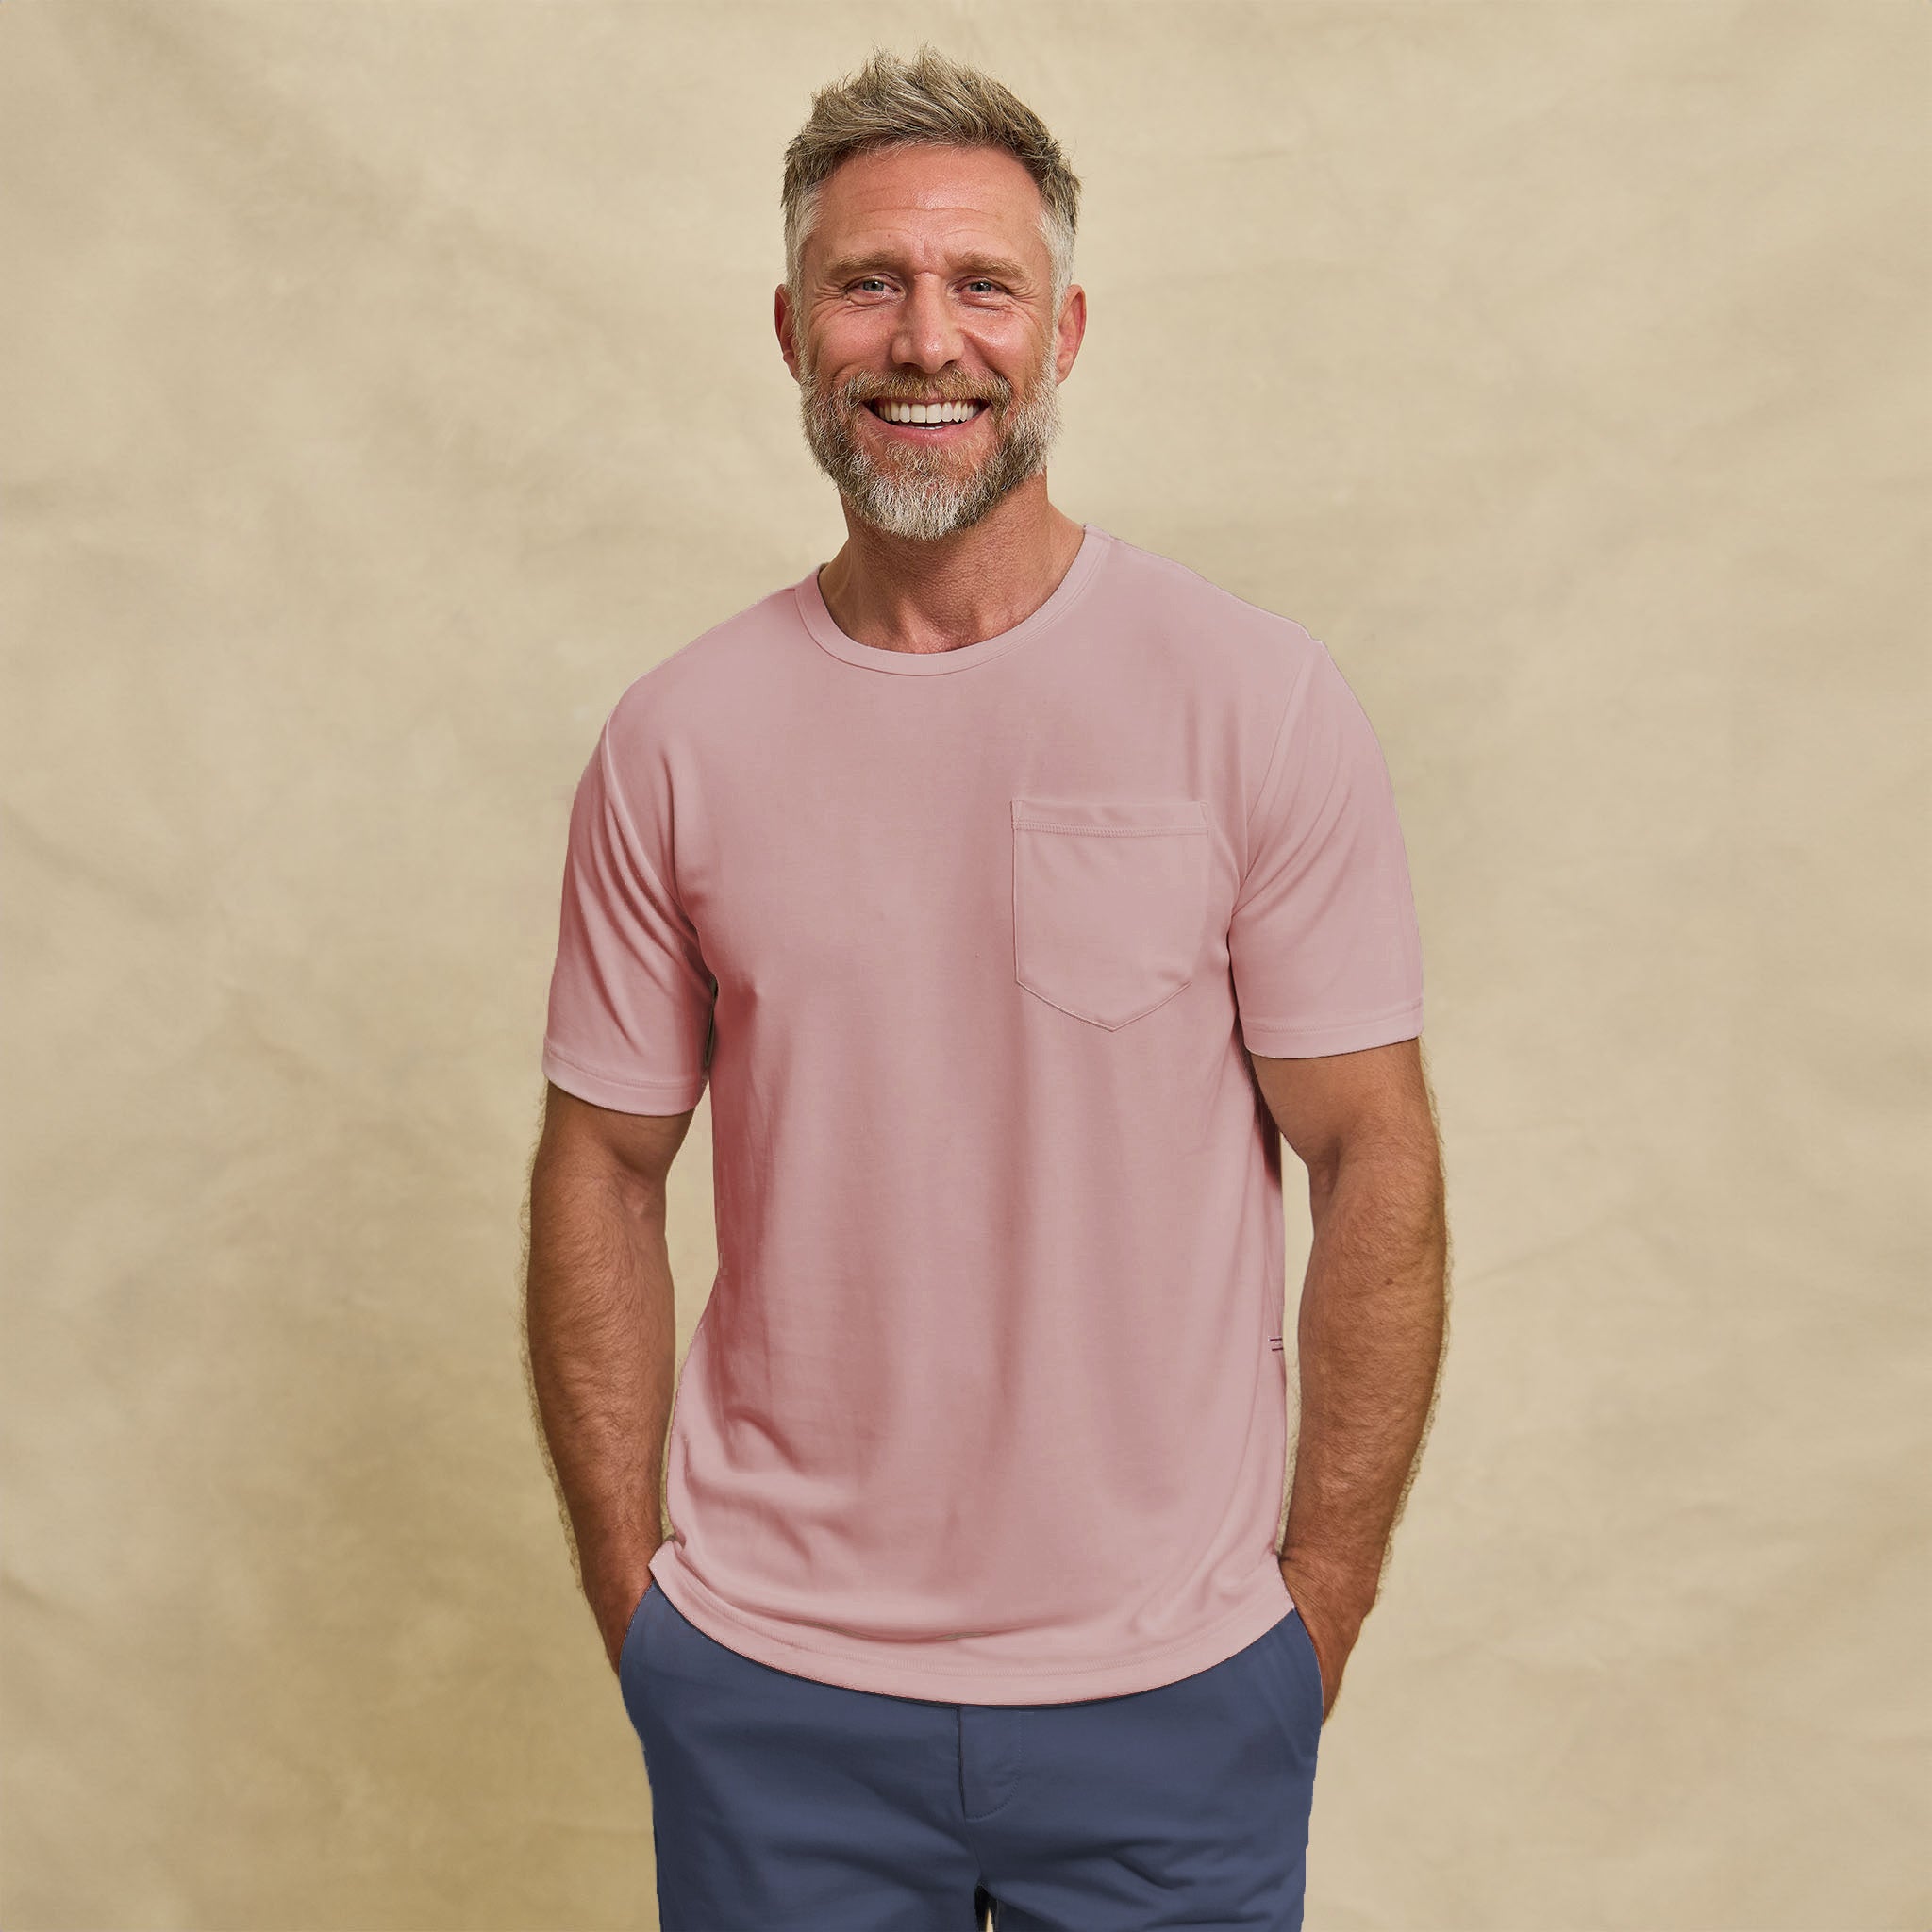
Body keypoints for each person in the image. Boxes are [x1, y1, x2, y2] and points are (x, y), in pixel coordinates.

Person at [525, 41, 1448, 1932]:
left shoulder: (1252, 700)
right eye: (869, 283)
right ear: (792, 329)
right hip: (770, 1691)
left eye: (982, 286)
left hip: (1176, 1696)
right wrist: (643, 1608)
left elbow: (1375, 1156)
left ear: (1064, 330)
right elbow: (601, 1164)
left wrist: (1313, 1616)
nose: (925, 340)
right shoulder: (676, 739)